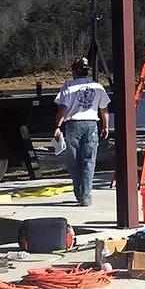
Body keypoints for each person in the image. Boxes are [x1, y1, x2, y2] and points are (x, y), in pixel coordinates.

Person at [53, 57, 110, 206]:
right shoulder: (97, 86)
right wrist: (105, 126)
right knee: (88, 161)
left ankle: (79, 193)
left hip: (73, 124)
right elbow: (104, 109)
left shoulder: (68, 86)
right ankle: (85, 196)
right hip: (92, 124)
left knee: (73, 161)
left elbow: (63, 108)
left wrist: (57, 126)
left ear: (75, 71)